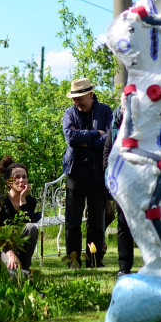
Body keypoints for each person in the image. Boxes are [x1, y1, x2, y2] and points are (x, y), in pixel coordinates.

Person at [62, 77, 112, 268]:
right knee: (72, 220)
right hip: (75, 171)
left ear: (90, 95)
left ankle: (94, 260)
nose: (76, 102)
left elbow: (108, 139)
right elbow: (71, 138)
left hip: (98, 171)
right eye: (74, 99)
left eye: (79, 98)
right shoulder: (69, 113)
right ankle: (73, 261)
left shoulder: (106, 111)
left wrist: (86, 139)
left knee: (96, 220)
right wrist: (94, 134)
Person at [103, 103, 134, 277]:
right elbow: (107, 150)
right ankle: (124, 266)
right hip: (121, 182)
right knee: (123, 224)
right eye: (123, 106)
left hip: (142, 180)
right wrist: (109, 172)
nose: (126, 109)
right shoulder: (115, 125)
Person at [0, 156, 40, 274]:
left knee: (31, 228)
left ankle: (25, 268)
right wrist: (11, 253)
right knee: (13, 273)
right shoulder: (1, 201)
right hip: (4, 247)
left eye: (24, 177)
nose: (22, 180)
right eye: (17, 177)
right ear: (9, 182)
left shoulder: (30, 201)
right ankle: (17, 269)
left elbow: (26, 225)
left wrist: (22, 200)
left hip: (22, 247)